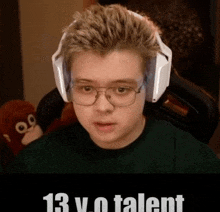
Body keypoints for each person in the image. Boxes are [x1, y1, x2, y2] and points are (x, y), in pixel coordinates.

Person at [6, 4, 220, 173]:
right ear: (66, 86)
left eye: (121, 89)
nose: (102, 107)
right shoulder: (35, 164)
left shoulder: (192, 163)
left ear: (151, 85)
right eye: (87, 88)